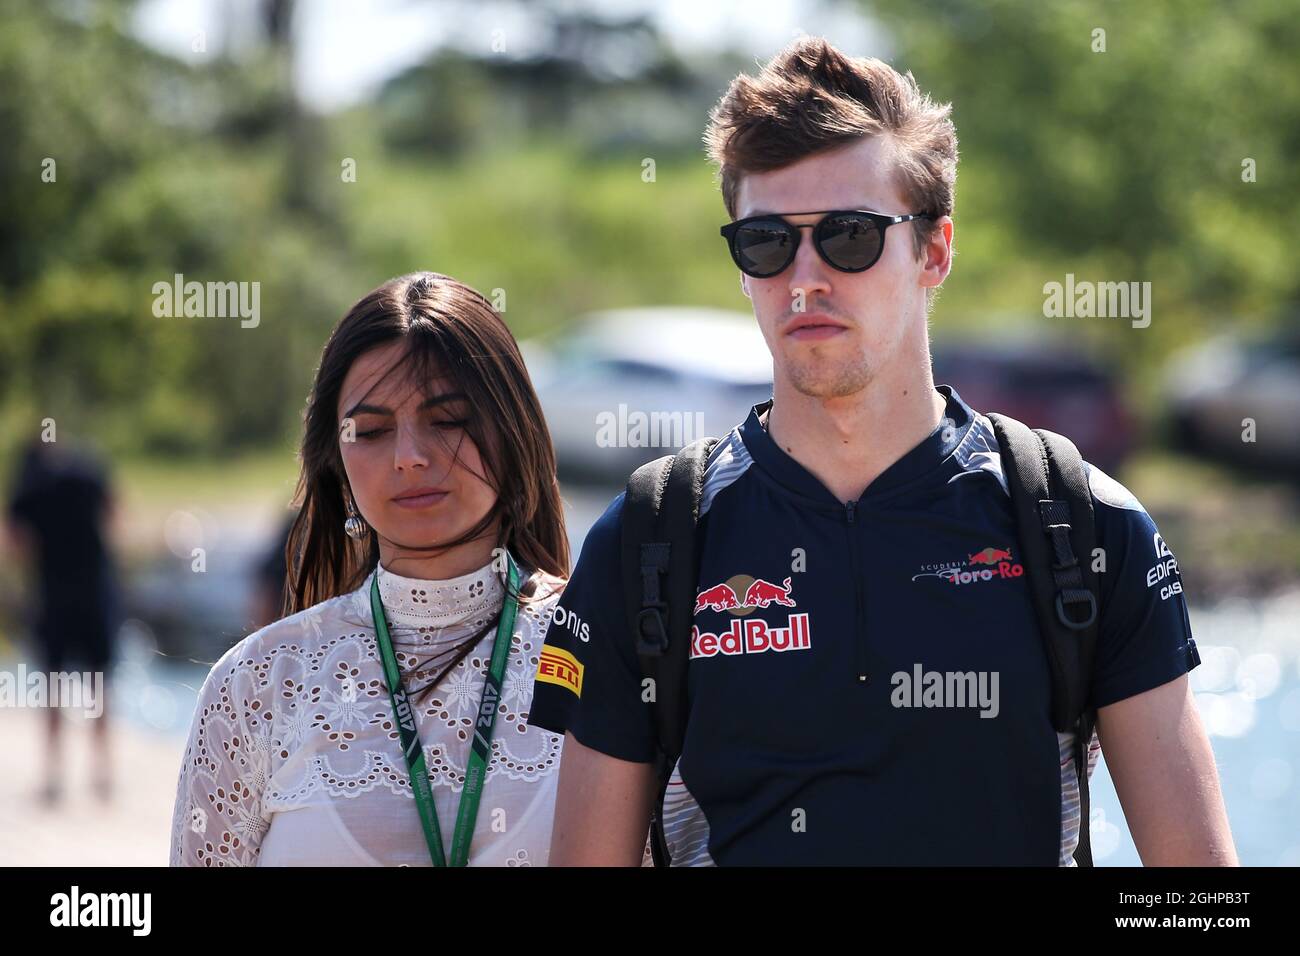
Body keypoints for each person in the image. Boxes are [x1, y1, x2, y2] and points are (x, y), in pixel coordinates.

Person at [528, 37, 1237, 865]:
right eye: (766, 242)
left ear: (934, 250)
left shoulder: (1084, 527)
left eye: (850, 237)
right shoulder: (649, 540)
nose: (804, 277)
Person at [169, 272, 570, 866]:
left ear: (514, 433)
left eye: (450, 418)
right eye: (374, 430)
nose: (410, 456)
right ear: (335, 460)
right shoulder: (258, 685)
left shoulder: (603, 650)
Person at [6, 438, 120, 804]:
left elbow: (16, 541)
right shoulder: (88, 470)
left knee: (53, 685)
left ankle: (54, 774)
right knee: (99, 683)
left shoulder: (29, 484)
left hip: (53, 597)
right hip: (93, 592)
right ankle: (102, 772)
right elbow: (114, 513)